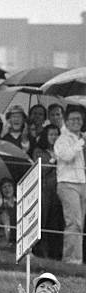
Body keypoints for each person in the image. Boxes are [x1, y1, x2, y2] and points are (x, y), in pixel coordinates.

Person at [54, 107, 86, 264]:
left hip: (82, 182)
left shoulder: (82, 137)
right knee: (73, 222)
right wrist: (80, 143)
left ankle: (77, 259)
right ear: (66, 122)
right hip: (67, 183)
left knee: (80, 223)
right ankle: (70, 260)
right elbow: (66, 156)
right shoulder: (62, 139)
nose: (76, 122)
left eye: (79, 119)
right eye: (72, 119)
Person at [32, 124, 63, 259]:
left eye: (56, 134)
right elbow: (41, 170)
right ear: (46, 136)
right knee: (43, 223)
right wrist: (53, 159)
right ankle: (41, 253)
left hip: (59, 192)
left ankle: (55, 255)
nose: (54, 137)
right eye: (51, 134)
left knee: (56, 224)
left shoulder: (63, 151)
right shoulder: (39, 151)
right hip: (44, 192)